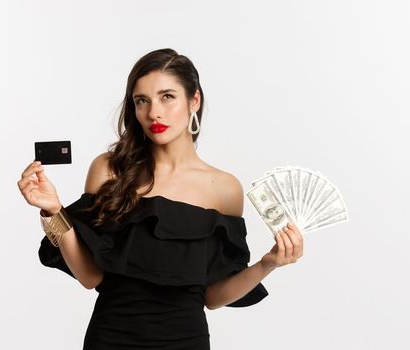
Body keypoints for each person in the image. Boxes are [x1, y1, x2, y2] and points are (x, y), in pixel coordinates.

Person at [17, 48, 304, 349]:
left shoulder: (225, 188)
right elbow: (91, 277)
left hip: (186, 340)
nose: (154, 112)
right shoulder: (109, 169)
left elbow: (212, 296)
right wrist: (52, 211)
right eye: (142, 100)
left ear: (194, 100)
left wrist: (267, 264)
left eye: (167, 96)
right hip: (111, 338)